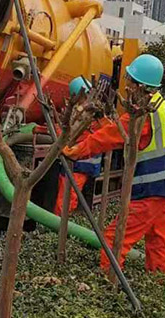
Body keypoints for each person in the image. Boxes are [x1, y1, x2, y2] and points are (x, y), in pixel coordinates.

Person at [63, 54, 165, 273]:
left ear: (140, 85)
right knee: (160, 245)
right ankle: (161, 287)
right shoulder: (163, 107)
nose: (126, 85)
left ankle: (108, 288)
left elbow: (109, 137)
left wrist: (75, 151)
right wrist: (103, 120)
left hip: (150, 192)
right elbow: (119, 131)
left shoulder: (140, 114)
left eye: (129, 80)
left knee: (113, 241)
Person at [53, 76, 104, 216]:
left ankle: (58, 226)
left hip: (77, 163)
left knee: (66, 198)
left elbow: (66, 133)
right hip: (82, 163)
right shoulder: (92, 114)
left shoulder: (86, 114)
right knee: (68, 196)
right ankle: (60, 224)